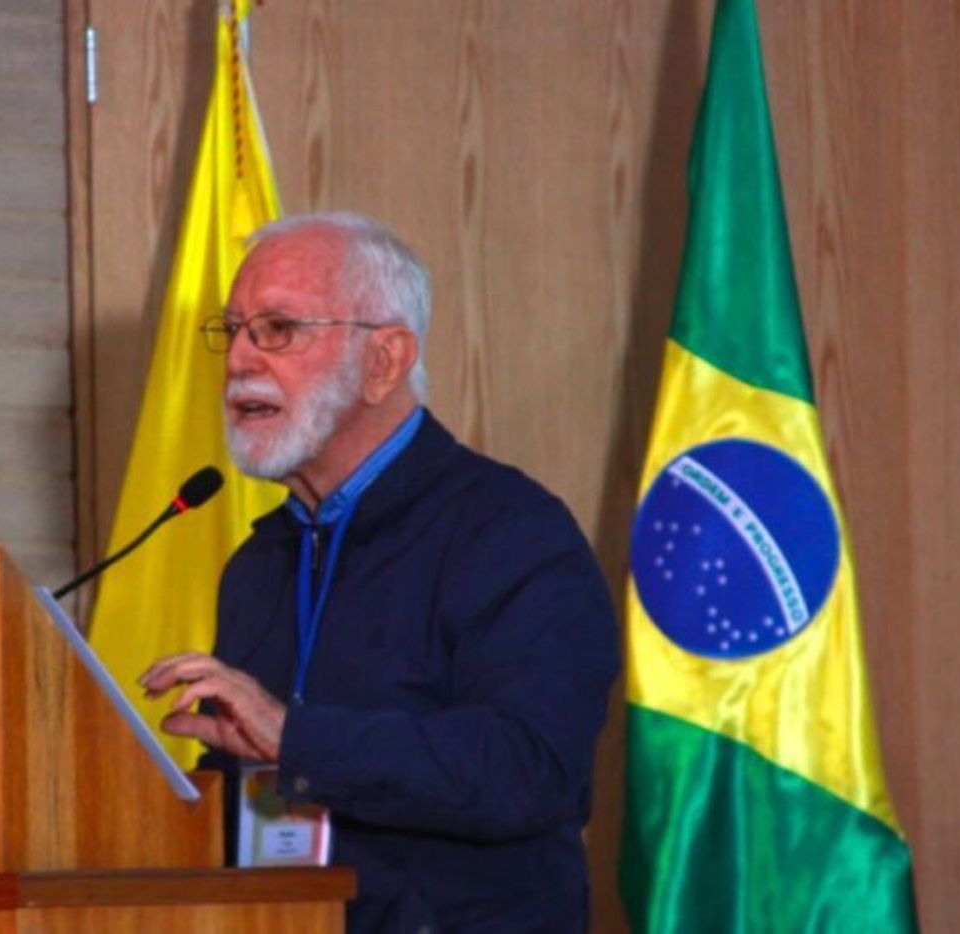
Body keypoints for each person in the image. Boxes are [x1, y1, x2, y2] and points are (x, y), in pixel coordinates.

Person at [139, 212, 619, 932]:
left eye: (278, 328)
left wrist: (294, 737)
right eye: (233, 329)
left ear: (385, 360)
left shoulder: (511, 532)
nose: (240, 358)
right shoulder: (258, 566)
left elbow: (528, 766)